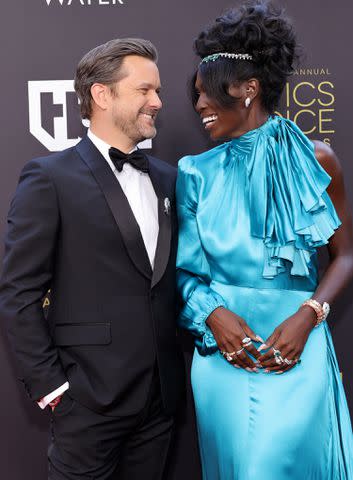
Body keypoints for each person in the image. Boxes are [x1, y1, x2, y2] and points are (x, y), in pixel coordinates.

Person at [176, 2, 353, 479]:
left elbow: (346, 254)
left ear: (248, 89)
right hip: (222, 356)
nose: (199, 106)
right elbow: (188, 273)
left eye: (206, 93)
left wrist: (308, 315)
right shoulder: (195, 172)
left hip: (299, 343)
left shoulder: (318, 160)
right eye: (195, 96)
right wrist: (214, 315)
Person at [0, 38, 184, 480]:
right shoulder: (49, 177)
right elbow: (19, 293)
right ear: (102, 95)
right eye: (144, 90)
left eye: (157, 90)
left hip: (160, 401)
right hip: (87, 401)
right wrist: (52, 388)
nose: (158, 102)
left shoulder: (168, 178)